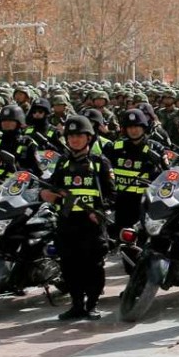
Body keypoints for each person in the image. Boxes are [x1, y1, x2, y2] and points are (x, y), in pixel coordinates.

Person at [41, 115, 115, 320]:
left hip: (91, 225)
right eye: (71, 136)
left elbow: (111, 195)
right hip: (67, 223)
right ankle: (76, 304)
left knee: (93, 266)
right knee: (69, 265)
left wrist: (99, 211)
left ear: (89, 138)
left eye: (79, 136)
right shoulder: (62, 163)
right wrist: (48, 196)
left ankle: (92, 304)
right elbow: (54, 189)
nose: (74, 140)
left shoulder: (100, 163)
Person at [106, 109, 164, 266]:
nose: (134, 130)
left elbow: (167, 175)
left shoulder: (156, 149)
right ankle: (133, 278)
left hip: (145, 204)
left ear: (144, 127)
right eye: (130, 126)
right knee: (126, 243)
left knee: (144, 244)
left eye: (137, 126)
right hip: (122, 202)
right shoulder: (115, 148)